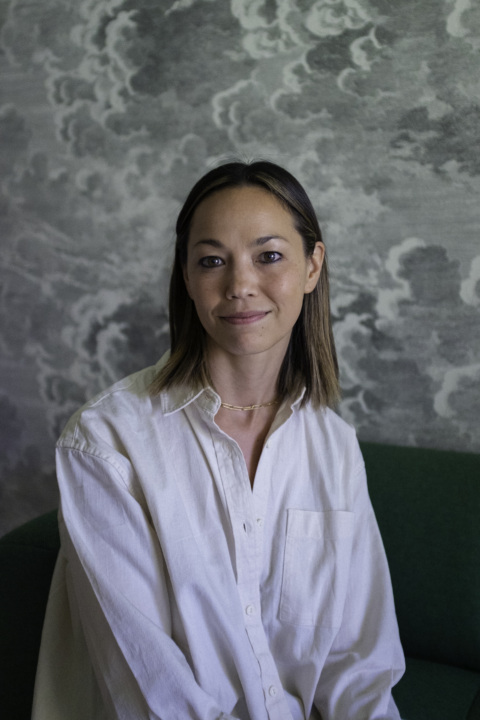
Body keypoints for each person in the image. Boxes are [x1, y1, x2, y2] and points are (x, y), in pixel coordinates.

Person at [32, 161, 405, 720]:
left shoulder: (334, 446)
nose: (239, 285)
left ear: (312, 266)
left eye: (268, 256)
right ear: (186, 277)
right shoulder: (105, 442)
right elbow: (152, 692)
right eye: (212, 261)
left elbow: (359, 667)